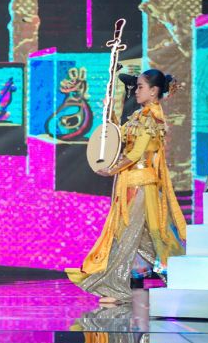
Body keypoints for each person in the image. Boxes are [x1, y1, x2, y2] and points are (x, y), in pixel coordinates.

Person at [66, 69, 186, 304]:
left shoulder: (153, 118)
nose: (136, 91)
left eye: (140, 87)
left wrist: (111, 169)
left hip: (142, 183)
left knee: (133, 234)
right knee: (141, 235)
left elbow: (136, 153)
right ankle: (177, 274)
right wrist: (109, 111)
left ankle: (116, 287)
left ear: (154, 91)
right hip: (130, 181)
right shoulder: (140, 115)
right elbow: (120, 136)